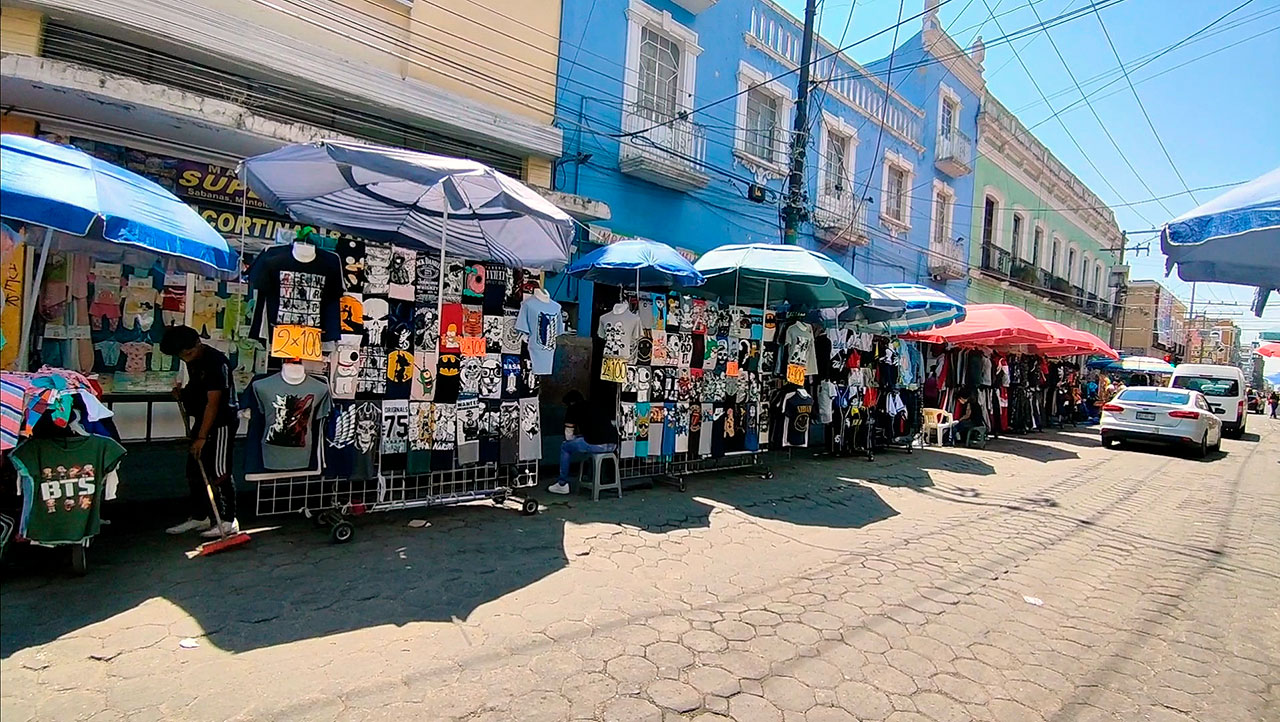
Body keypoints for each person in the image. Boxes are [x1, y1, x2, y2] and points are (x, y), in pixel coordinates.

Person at [160, 325, 240, 538]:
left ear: (198, 343)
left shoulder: (216, 362)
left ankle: (227, 520)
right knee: (195, 470)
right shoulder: (192, 360)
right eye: (181, 356)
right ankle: (201, 516)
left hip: (221, 422)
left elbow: (213, 403)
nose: (186, 359)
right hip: (202, 420)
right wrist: (183, 394)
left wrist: (202, 436)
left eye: (188, 353)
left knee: (219, 471)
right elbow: (198, 389)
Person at [548, 390, 619, 495]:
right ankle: (591, 476)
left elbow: (568, 437)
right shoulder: (595, 405)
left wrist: (577, 436)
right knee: (586, 442)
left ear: (570, 403)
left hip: (596, 444)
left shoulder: (572, 409)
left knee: (565, 447)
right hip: (613, 444)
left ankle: (562, 484)